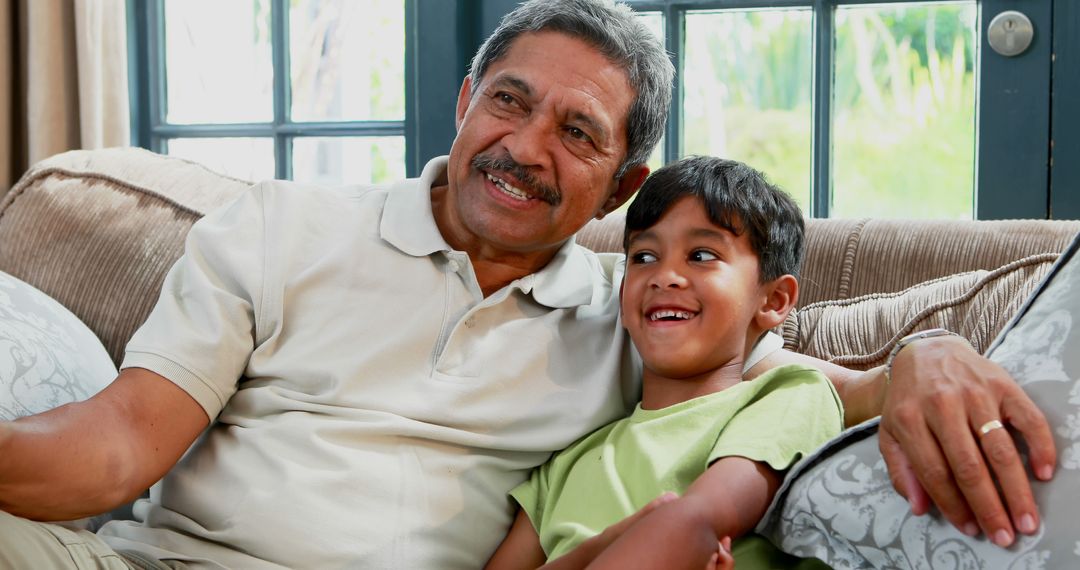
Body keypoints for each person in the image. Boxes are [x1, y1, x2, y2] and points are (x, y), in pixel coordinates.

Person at [0, 0, 1055, 568]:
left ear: (622, 182)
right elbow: (112, 452)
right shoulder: (282, 226)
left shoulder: (633, 322)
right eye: (508, 102)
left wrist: (932, 352)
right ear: (464, 102)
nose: (523, 147)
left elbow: (825, 382)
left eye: (577, 131)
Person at [486, 156, 842, 570]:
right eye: (644, 257)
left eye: (702, 255)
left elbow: (697, 523)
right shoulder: (567, 463)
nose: (664, 275)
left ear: (774, 300)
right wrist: (595, 549)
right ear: (622, 298)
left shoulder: (790, 394)